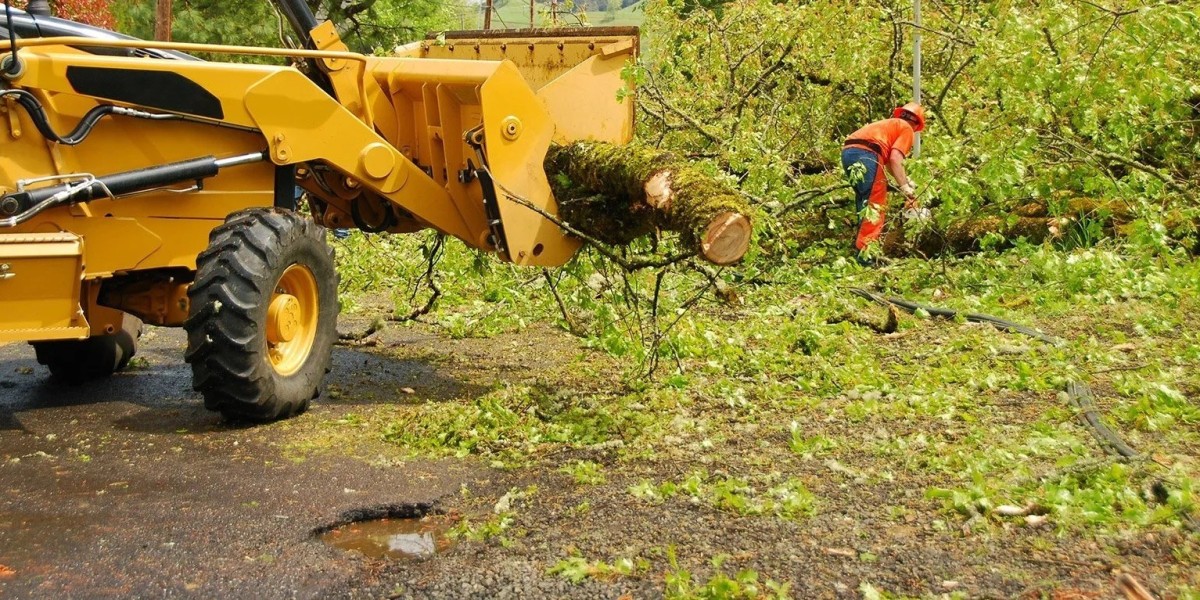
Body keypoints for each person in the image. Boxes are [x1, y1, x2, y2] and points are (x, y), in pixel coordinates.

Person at [841, 102, 925, 263]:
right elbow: (895, 159)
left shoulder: (889, 125)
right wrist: (905, 188)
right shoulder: (907, 128)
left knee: (865, 200)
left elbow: (889, 163)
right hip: (867, 154)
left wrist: (905, 181)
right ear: (917, 124)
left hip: (849, 152)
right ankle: (866, 256)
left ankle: (861, 249)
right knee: (875, 203)